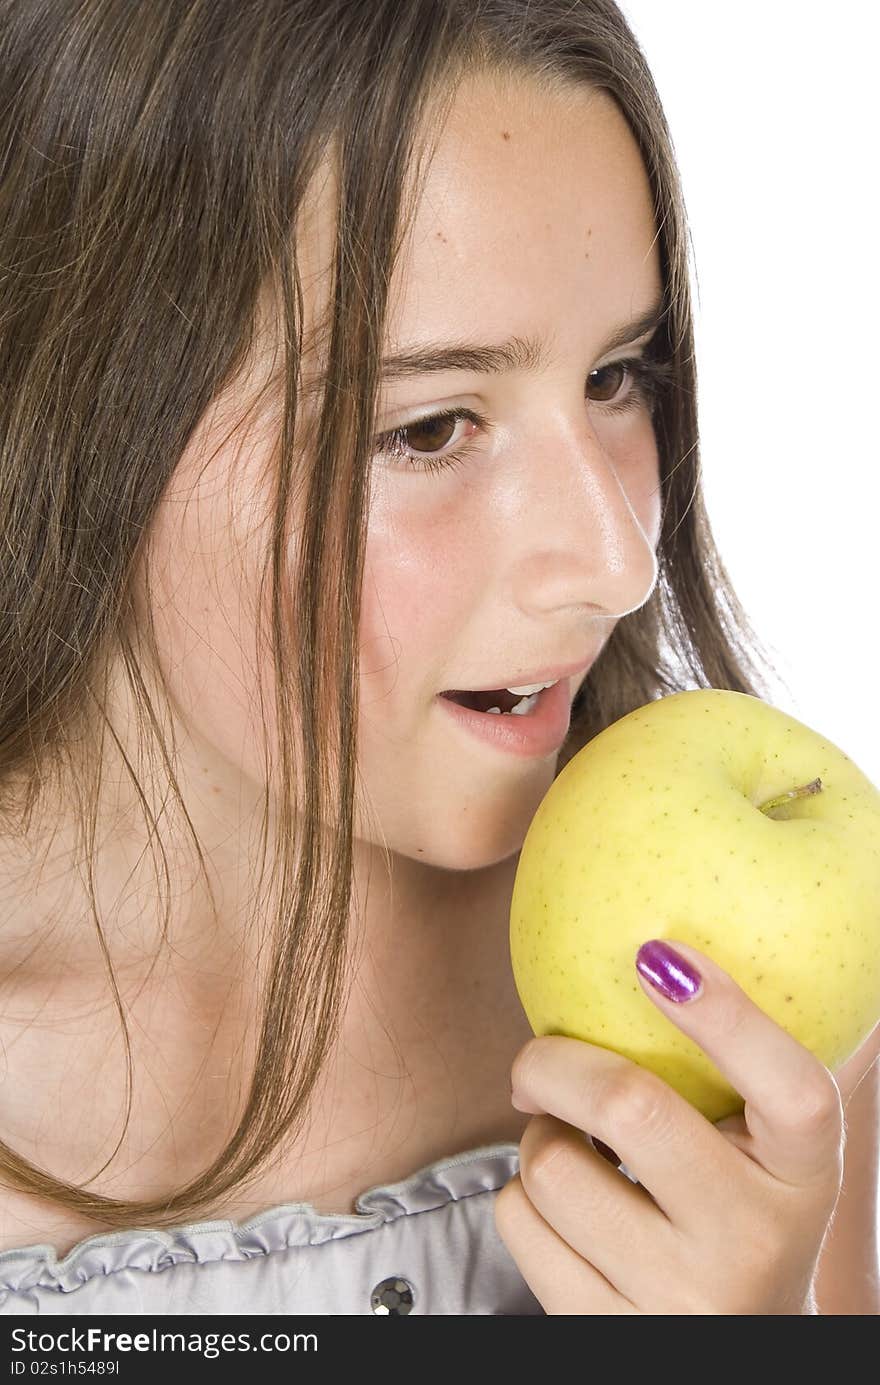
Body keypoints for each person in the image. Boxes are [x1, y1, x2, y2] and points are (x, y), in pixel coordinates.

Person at [0, 0, 876, 1318]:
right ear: (78, 430)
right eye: (426, 428)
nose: (615, 558)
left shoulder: (754, 1031)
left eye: (619, 375)